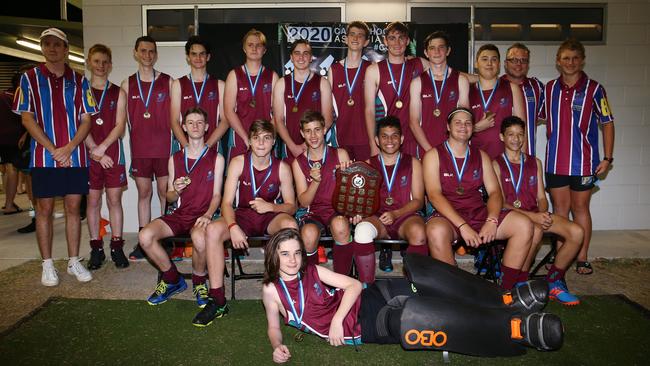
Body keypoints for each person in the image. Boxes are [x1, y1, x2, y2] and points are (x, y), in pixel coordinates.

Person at [262, 228, 562, 363]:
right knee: (417, 318)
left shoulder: (313, 271)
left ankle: (506, 300)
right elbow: (274, 327)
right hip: (365, 325)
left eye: (297, 253)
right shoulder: (271, 290)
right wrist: (277, 346)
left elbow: (353, 285)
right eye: (285, 254)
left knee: (428, 284)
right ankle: (515, 329)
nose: (292, 260)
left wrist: (337, 318)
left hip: (366, 298)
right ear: (273, 256)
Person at [13, 28, 97, 286]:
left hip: (75, 156)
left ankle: (73, 260)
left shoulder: (80, 80)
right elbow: (26, 117)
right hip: (44, 158)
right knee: (44, 210)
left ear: (65, 48)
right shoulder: (29, 78)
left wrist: (69, 147)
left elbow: (86, 118)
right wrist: (53, 149)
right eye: (47, 44)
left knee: (74, 209)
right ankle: (47, 264)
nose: (52, 48)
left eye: (57, 44)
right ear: (42, 47)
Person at [192, 120, 297, 326]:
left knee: (291, 227)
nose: (261, 143)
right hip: (243, 216)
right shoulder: (238, 162)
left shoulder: (282, 167)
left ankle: (288, 294)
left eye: (266, 138)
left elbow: (291, 206)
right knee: (212, 230)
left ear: (274, 142)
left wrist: (271, 207)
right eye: (256, 138)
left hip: (270, 216)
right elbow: (227, 202)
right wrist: (233, 227)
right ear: (249, 141)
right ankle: (218, 300)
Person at [422, 108, 533, 290]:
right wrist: (462, 226)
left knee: (524, 225)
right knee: (435, 231)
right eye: (458, 122)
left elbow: (495, 192)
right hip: (448, 216)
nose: (463, 126)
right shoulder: (433, 155)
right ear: (448, 127)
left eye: (468, 123)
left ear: (473, 128)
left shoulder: (481, 156)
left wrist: (492, 220)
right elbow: (434, 195)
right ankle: (454, 292)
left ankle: (504, 292)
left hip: (477, 212)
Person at [540, 39, 615, 275]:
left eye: (574, 58)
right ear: (558, 61)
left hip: (584, 162)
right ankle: (560, 260)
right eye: (565, 58)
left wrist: (608, 158)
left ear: (581, 60)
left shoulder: (595, 89)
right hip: (555, 162)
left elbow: (608, 123)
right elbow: (537, 116)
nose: (570, 63)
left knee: (581, 209)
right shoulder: (549, 88)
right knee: (560, 211)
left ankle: (582, 257)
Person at [139, 107, 225, 307]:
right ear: (184, 127)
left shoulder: (217, 158)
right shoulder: (175, 158)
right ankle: (172, 280)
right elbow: (169, 196)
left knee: (199, 237)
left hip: (203, 214)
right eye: (191, 123)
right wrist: (175, 190)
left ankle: (199, 282)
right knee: (145, 236)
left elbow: (217, 195)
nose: (195, 126)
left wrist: (208, 214)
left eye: (200, 122)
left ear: (207, 127)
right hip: (180, 214)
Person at [493, 116, 582, 305]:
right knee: (534, 229)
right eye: (511, 134)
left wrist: (543, 213)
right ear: (502, 137)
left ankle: (554, 281)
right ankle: (520, 282)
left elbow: (542, 197)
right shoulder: (495, 164)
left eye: (520, 134)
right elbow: (500, 202)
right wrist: (534, 218)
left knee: (576, 232)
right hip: (512, 218)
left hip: (535, 214)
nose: (516, 139)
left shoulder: (535, 162)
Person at [355, 116, 427, 280]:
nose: (389, 140)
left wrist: (396, 213)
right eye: (384, 136)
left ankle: (415, 283)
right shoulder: (367, 164)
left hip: (405, 217)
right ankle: (367, 286)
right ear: (377, 140)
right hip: (377, 218)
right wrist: (358, 213)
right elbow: (362, 200)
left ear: (401, 139)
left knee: (419, 232)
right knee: (361, 231)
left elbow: (418, 200)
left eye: (394, 135)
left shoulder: (413, 163)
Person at [121, 36, 173, 260]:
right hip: (140, 149)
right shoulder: (127, 84)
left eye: (151, 51)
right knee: (144, 193)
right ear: (135, 53)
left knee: (164, 193)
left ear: (156, 54)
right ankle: (144, 240)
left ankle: (164, 239)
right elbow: (120, 121)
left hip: (163, 148)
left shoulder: (168, 82)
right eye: (143, 51)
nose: (147, 55)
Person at [83, 44, 129, 270]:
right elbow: (79, 126)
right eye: (97, 61)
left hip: (112, 153)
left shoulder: (118, 92)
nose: (101, 66)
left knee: (114, 201)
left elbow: (120, 126)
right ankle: (96, 248)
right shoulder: (81, 91)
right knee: (92, 201)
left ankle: (117, 246)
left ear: (110, 65)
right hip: (90, 153)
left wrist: (102, 149)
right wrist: (95, 151)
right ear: (89, 62)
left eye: (105, 62)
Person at [292, 111, 352, 270]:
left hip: (337, 210)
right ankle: (312, 284)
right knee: (308, 235)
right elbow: (304, 202)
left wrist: (348, 177)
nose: (313, 135)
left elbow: (352, 192)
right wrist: (315, 182)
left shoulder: (340, 154)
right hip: (313, 212)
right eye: (308, 131)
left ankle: (342, 282)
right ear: (302, 133)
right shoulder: (298, 162)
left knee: (341, 226)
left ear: (325, 130)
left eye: (317, 129)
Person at [364, 21, 427, 158]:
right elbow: (369, 111)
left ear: (408, 41)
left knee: (414, 178)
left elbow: (449, 74)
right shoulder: (374, 70)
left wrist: (482, 78)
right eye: (392, 38)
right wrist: (373, 144)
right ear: (385, 41)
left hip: (414, 138)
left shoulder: (419, 64)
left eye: (401, 38)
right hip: (388, 140)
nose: (397, 43)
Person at [409, 31, 470, 153]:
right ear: (426, 53)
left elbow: (464, 118)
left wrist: (452, 150)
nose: (436, 52)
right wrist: (430, 151)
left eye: (441, 47)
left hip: (453, 150)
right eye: (432, 48)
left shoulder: (461, 80)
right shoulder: (417, 82)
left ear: (448, 51)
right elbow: (413, 122)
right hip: (425, 148)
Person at [272, 39, 333, 160]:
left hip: (316, 146)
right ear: (291, 57)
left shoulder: (322, 83)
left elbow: (328, 118)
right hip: (290, 147)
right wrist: (293, 146)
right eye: (297, 53)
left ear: (311, 58)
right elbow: (278, 119)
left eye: (305, 53)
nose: (301, 57)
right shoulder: (281, 83)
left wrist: (307, 144)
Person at [225, 29, 278, 161]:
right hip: (240, 136)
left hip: (264, 140)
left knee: (267, 178)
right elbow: (228, 110)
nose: (254, 48)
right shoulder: (234, 75)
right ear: (244, 48)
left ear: (264, 50)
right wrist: (245, 137)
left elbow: (277, 113)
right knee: (237, 178)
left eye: (258, 45)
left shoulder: (273, 76)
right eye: (250, 45)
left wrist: (265, 137)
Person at [170, 36, 228, 153]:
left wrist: (207, 145)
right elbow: (174, 121)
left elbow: (225, 120)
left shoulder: (220, 85)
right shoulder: (178, 84)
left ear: (208, 57)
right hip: (184, 148)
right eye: (194, 54)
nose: (198, 58)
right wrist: (187, 146)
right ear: (188, 57)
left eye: (202, 54)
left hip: (212, 147)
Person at [468, 44, 525, 160]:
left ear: (499, 64)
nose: (489, 63)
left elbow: (522, 127)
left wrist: (521, 160)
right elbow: (458, 129)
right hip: (475, 159)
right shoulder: (467, 90)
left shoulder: (512, 88)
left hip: (505, 159)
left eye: (494, 59)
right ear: (476, 64)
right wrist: (476, 128)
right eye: (484, 59)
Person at [327, 21, 372, 161]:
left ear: (366, 42)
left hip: (366, 139)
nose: (355, 38)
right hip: (341, 137)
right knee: (343, 181)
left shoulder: (372, 69)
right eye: (352, 34)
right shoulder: (333, 70)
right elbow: (328, 107)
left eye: (360, 35)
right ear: (345, 39)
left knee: (366, 181)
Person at [502, 43, 545, 157]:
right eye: (514, 60)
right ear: (506, 64)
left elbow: (550, 115)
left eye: (523, 60)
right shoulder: (496, 87)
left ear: (528, 64)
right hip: (500, 159)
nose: (519, 64)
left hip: (528, 158)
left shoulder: (537, 87)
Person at [1, 72, 25, 215]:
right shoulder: (18, 97)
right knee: (12, 169)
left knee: (6, 168)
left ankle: (7, 202)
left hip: (2, 138)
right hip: (14, 138)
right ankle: (9, 204)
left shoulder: (3, 95)